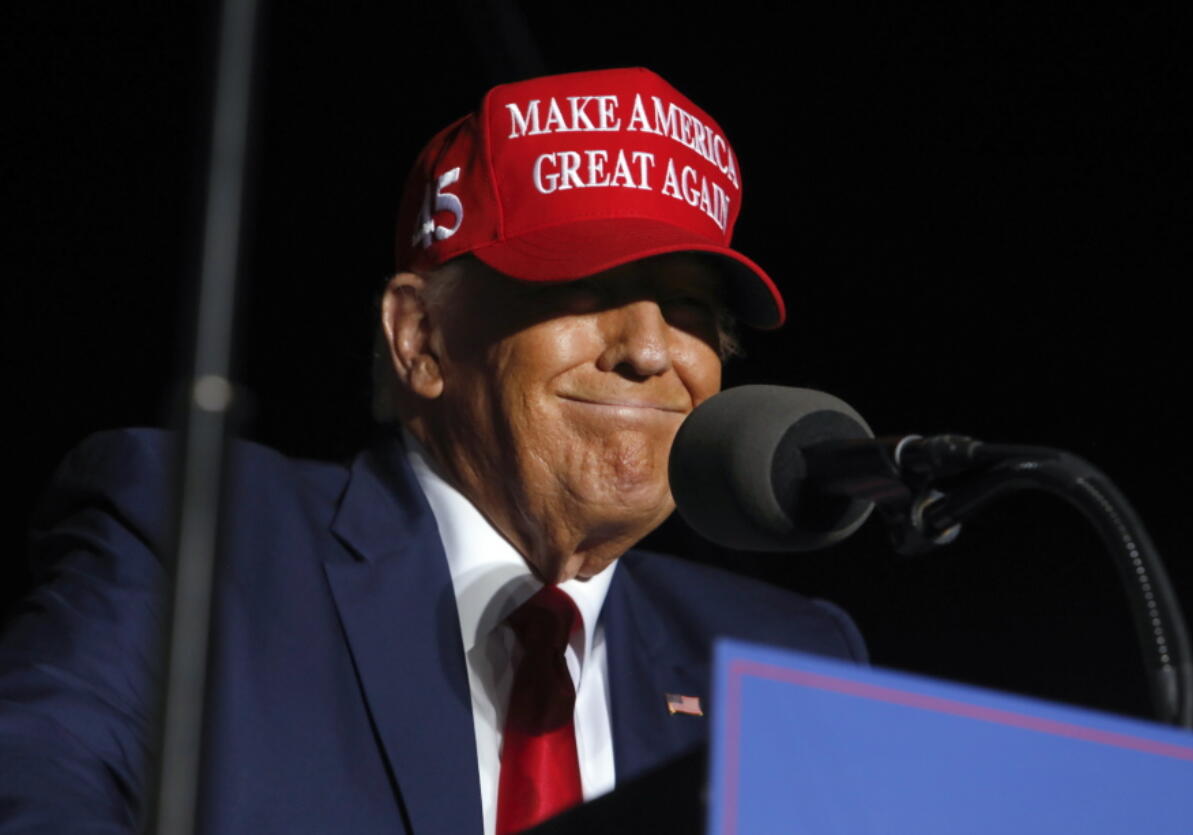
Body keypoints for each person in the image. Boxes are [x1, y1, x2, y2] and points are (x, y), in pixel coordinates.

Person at [0, 68, 865, 834]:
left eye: (690, 309)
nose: (648, 349)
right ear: (419, 337)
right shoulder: (201, 543)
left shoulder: (782, 661)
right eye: (585, 288)